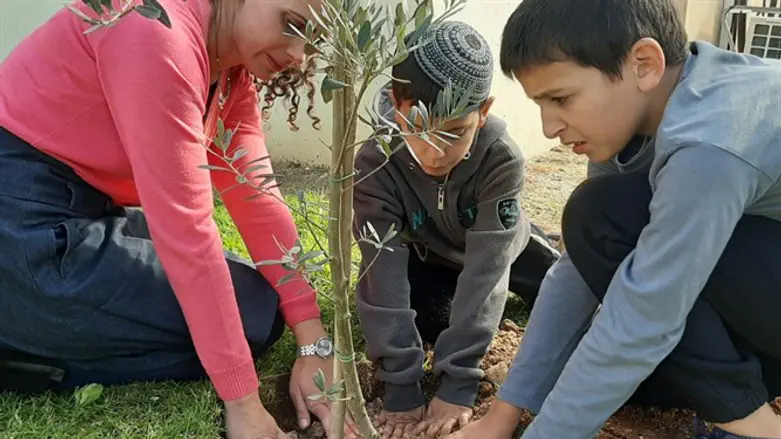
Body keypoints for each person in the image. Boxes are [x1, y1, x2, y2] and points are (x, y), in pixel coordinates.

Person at [0, 1, 349, 438]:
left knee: (257, 311)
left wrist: (313, 340)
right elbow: (187, 233)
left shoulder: (229, 70)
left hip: (86, 214)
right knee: (231, 324)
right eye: (292, 25)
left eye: (313, 42)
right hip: (22, 226)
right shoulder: (152, 30)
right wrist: (243, 403)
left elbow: (255, 194)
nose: (298, 55)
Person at [446, 0, 781, 438]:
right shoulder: (637, 121)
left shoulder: (710, 141)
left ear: (644, 64)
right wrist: (503, 413)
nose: (549, 127)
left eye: (561, 99)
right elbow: (581, 266)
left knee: (600, 224)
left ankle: (754, 425)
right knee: (623, 375)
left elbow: (645, 315)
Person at [352, 20, 560, 439]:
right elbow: (381, 273)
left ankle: (544, 244)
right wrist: (401, 386)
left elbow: (487, 273)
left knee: (560, 295)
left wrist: (459, 384)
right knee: (431, 319)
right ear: (396, 103)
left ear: (483, 112)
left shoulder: (500, 158)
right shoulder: (376, 163)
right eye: (419, 129)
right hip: (428, 252)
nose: (434, 153)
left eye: (454, 133)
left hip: (498, 246)